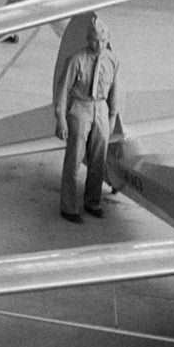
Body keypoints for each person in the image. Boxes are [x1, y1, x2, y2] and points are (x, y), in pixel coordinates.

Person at [55, 14, 121, 225]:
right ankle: (69, 206)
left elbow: (114, 91)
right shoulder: (76, 60)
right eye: (94, 40)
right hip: (80, 107)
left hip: (100, 108)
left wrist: (112, 117)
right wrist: (61, 119)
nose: (99, 44)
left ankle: (93, 202)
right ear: (88, 39)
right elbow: (63, 91)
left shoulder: (113, 61)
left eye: (103, 40)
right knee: (74, 158)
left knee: (98, 159)